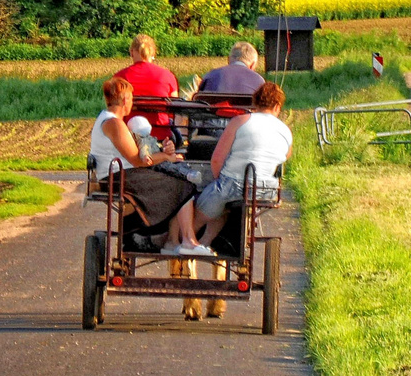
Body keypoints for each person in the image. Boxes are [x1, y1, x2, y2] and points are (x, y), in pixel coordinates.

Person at [89, 76, 198, 250]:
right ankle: (184, 240)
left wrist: (162, 151)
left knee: (172, 179)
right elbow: (137, 160)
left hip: (118, 173)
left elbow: (138, 153)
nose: (131, 103)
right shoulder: (114, 123)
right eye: (131, 99)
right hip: (118, 176)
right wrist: (165, 157)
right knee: (182, 184)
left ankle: (171, 238)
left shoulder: (107, 119)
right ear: (125, 99)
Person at [189, 79, 293, 250]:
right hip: (267, 190)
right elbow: (283, 157)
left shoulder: (240, 121)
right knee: (228, 200)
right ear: (277, 106)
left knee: (204, 207)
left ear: (255, 102)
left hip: (234, 184)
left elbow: (217, 159)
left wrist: (219, 181)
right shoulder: (285, 131)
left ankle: (187, 240)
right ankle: (211, 242)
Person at [116, 33, 180, 149]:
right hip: (162, 137)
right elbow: (173, 109)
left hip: (129, 138)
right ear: (153, 53)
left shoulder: (119, 78)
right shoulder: (167, 76)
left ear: (131, 52)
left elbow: (114, 110)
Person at [194, 41, 266, 96]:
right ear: (253, 65)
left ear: (228, 60)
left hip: (215, 115)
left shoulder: (210, 75)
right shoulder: (259, 81)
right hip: (246, 114)